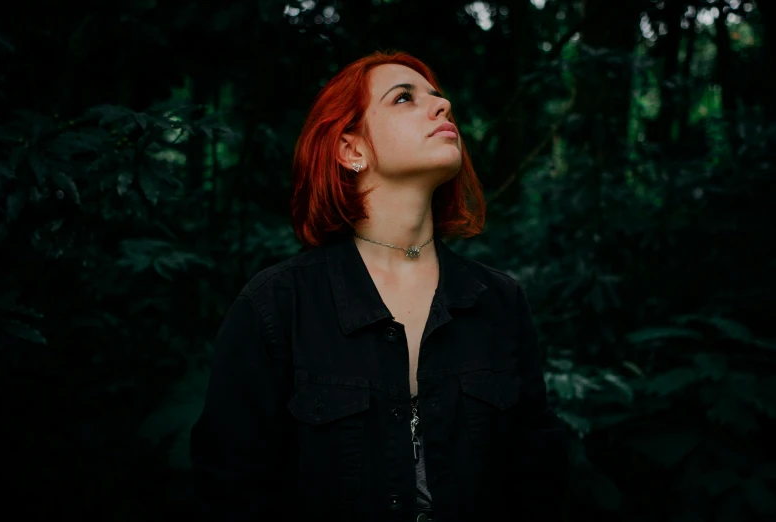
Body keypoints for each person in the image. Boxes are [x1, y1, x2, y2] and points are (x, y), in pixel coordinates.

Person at [189, 50, 569, 522]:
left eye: (436, 95)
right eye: (404, 98)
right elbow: (229, 490)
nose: (442, 105)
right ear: (352, 150)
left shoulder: (500, 301)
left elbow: (539, 476)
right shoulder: (276, 306)